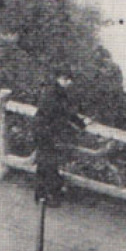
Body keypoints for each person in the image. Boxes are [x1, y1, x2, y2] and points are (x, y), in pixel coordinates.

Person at [32, 70, 89, 206]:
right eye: (66, 79)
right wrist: (81, 123)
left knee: (44, 163)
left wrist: (79, 122)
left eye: (69, 80)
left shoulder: (55, 91)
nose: (69, 82)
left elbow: (67, 112)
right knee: (48, 164)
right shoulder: (54, 93)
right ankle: (47, 196)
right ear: (60, 79)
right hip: (45, 132)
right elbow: (64, 112)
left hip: (43, 130)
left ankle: (41, 195)